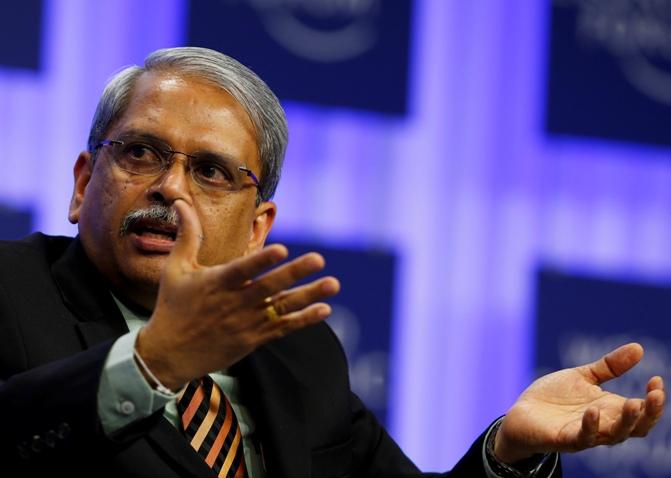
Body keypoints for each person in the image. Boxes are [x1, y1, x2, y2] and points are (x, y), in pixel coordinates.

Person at [0, 46, 664, 478]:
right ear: (84, 182)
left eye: (208, 171)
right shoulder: (11, 291)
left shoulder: (299, 355)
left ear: (258, 228)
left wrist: (507, 452)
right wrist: (150, 365)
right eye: (140, 153)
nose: (169, 188)